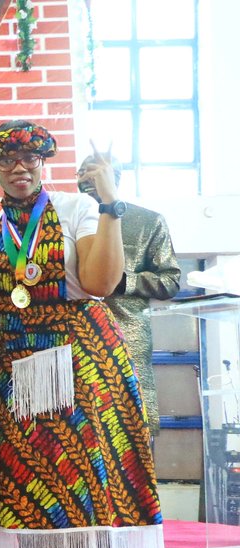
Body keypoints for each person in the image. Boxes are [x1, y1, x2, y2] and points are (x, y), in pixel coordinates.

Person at [0, 121, 167, 548]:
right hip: (17, 361)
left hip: (80, 354)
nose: (20, 167)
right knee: (31, 483)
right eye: (8, 159)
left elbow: (103, 284)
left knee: (86, 481)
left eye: (30, 158)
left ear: (44, 164)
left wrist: (109, 203)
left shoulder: (76, 208)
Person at [76, 155, 181, 436]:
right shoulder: (63, 219)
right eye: (82, 173)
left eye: (95, 173)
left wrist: (123, 281)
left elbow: (170, 281)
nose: (87, 178)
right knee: (81, 428)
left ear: (116, 178)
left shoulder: (148, 221)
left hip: (126, 333)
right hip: (74, 336)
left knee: (131, 425)